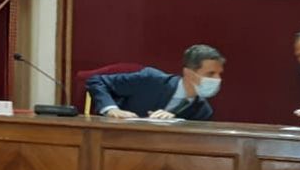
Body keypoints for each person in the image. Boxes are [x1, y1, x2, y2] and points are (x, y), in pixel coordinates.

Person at [87, 45, 225, 121]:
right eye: (210, 74)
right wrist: (112, 109)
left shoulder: (203, 111)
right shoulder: (151, 79)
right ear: (188, 73)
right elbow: (96, 81)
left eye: (219, 74)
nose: (217, 79)